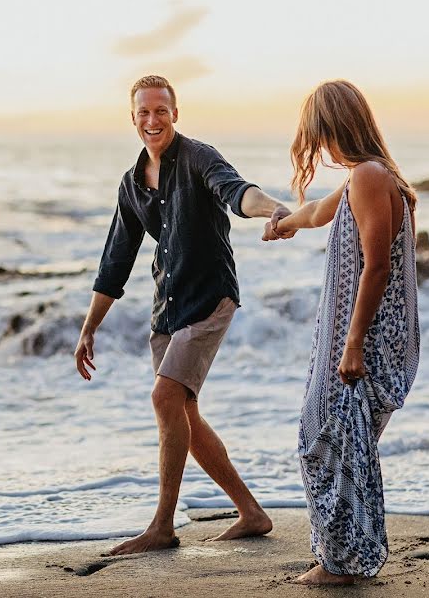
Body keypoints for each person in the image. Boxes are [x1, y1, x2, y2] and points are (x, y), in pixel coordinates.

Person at [74, 75, 289, 555]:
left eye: (162, 111)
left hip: (210, 297)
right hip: (166, 307)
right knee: (181, 411)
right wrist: (89, 329)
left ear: (175, 113)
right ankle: (252, 513)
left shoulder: (199, 158)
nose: (153, 120)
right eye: (144, 113)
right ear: (132, 119)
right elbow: (115, 262)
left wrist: (274, 209)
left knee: (164, 398)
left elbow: (237, 193)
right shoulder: (131, 185)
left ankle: (162, 527)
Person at [263, 79, 420, 585]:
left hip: (367, 339)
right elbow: (316, 213)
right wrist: (284, 221)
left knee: (324, 438)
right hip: (364, 336)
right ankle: (344, 558)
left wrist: (352, 344)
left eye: (318, 133)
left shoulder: (371, 177)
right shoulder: (365, 176)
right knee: (337, 440)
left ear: (335, 126)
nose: (317, 146)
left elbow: (376, 267)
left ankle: (341, 563)